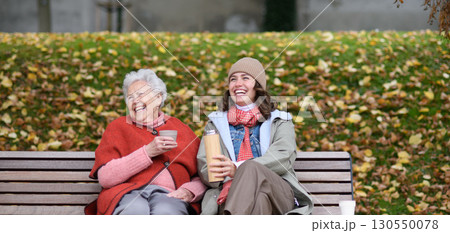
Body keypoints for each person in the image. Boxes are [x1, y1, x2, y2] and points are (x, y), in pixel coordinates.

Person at [197, 57, 313, 215]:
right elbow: (206, 169)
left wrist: (237, 169)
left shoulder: (280, 120)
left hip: (278, 195)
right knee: (258, 199)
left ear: (258, 86)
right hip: (229, 195)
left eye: (245, 78)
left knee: (250, 167)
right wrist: (221, 174)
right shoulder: (215, 124)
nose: (238, 84)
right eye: (233, 79)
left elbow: (283, 157)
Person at [85, 69, 206, 215]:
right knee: (135, 210)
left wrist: (190, 191)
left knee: (166, 211)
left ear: (158, 98)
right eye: (130, 97)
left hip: (169, 196)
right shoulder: (117, 127)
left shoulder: (181, 129)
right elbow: (105, 178)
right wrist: (147, 152)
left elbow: (203, 176)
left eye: (141, 94)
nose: (135, 100)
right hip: (126, 194)